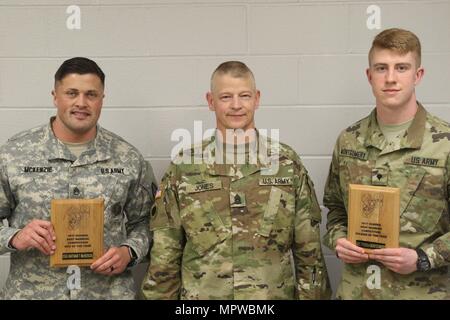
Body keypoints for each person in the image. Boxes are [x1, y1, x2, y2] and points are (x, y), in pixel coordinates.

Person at [140, 61, 331, 300]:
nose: (236, 105)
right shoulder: (184, 167)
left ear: (257, 98)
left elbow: (309, 252)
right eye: (226, 97)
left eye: (245, 95)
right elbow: (165, 255)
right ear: (211, 101)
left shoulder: (286, 163)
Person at [0, 57, 156, 299]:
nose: (81, 103)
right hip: (33, 293)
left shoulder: (127, 158)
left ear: (102, 99)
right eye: (71, 93)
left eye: (91, 94)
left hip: (107, 293)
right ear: (55, 96)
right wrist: (15, 237)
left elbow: (148, 223)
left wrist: (129, 251)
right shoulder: (13, 154)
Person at [323, 28, 450, 299]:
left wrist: (422, 258)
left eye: (401, 67)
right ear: (369, 76)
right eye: (381, 68)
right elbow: (334, 208)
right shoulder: (349, 141)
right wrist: (338, 240)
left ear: (418, 75)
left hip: (420, 292)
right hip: (357, 292)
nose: (390, 78)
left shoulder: (445, 144)